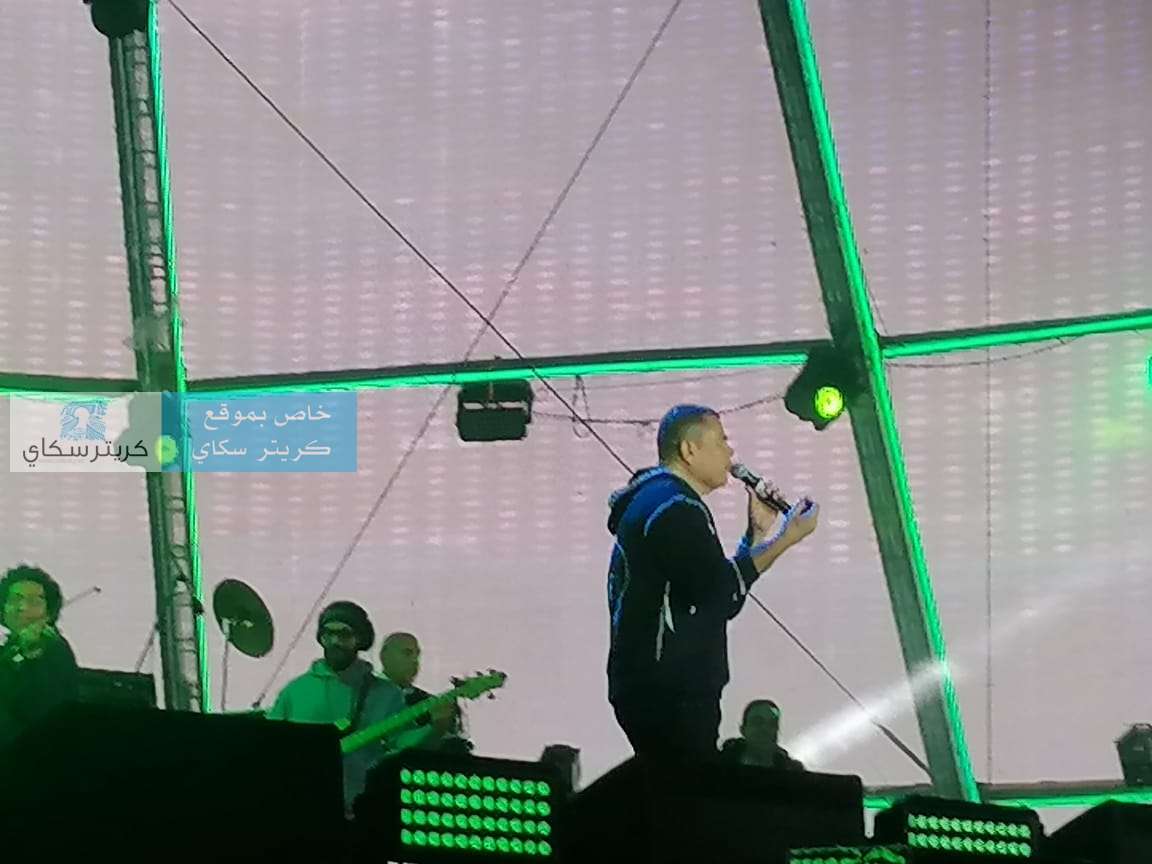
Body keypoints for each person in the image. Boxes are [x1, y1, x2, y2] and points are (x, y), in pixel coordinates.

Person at [605, 404, 819, 762]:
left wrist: (755, 535)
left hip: (653, 686)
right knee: (688, 788)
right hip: (673, 690)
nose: (730, 453)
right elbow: (720, 596)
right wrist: (786, 538)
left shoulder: (656, 502)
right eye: (721, 441)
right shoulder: (675, 507)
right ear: (689, 450)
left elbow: (709, 590)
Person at [267, 601, 406, 812]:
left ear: (361, 639)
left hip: (362, 807)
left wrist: (435, 728)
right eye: (328, 634)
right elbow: (270, 747)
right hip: (299, 804)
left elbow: (403, 744)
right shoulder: (295, 690)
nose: (335, 641)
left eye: (344, 634)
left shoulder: (386, 694)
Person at [0, 565, 80, 751]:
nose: (23, 608)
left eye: (34, 601)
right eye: (15, 599)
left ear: (49, 612)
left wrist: (24, 654)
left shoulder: (52, 647)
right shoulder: (10, 648)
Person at [379, 631, 472, 754]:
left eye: (417, 655)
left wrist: (441, 726)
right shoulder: (366, 693)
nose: (414, 660)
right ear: (384, 656)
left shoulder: (429, 702)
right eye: (407, 653)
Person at [719, 699, 805, 769]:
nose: (765, 729)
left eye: (772, 723)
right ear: (743, 730)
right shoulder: (720, 765)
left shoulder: (793, 772)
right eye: (757, 722)